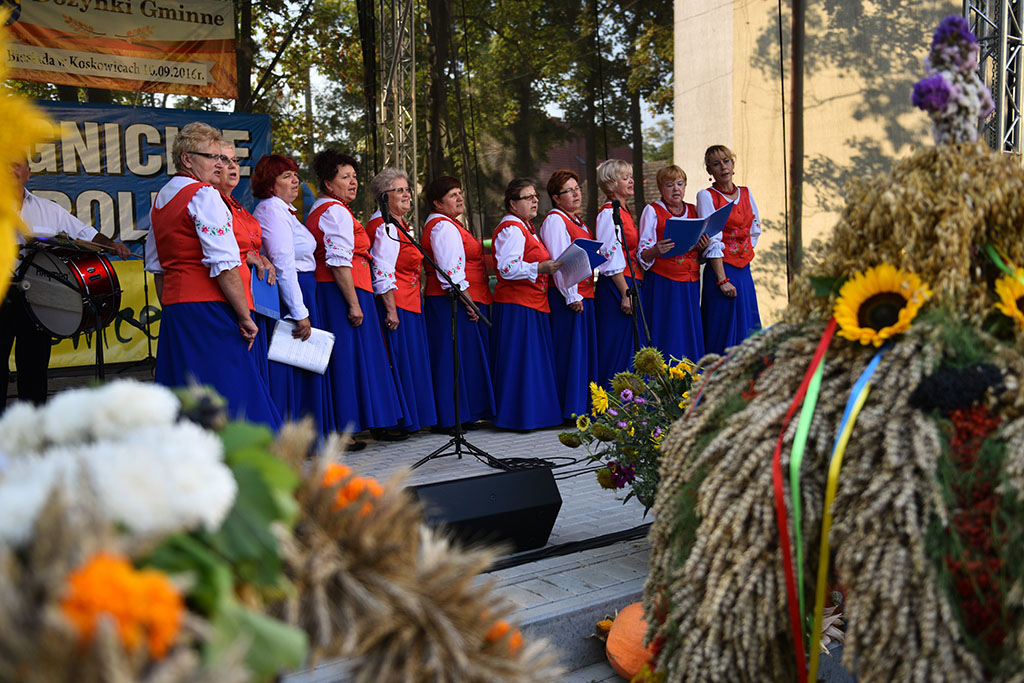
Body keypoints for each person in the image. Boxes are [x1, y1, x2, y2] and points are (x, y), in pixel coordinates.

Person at [145, 122, 280, 427]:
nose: (219, 164)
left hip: (178, 311)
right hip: (210, 307)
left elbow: (156, 266)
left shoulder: (162, 198)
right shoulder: (204, 194)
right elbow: (224, 265)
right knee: (232, 393)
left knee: (187, 394)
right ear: (187, 159)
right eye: (212, 157)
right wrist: (244, 317)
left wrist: (173, 307)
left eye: (222, 158)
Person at [1, 158, 131, 411]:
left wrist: (111, 245)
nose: (9, 169)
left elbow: (84, 234)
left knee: (35, 365)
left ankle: (33, 422)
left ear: (28, 173)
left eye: (16, 164)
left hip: (37, 295)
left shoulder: (48, 209)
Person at [307, 149, 403, 442]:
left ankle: (360, 422)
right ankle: (345, 427)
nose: (353, 182)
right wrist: (353, 303)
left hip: (349, 288)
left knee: (358, 358)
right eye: (345, 177)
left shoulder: (332, 209)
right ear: (328, 183)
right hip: (342, 291)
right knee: (346, 359)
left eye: (354, 176)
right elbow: (338, 261)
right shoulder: (334, 211)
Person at [252, 154, 334, 437]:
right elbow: (283, 264)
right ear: (270, 184)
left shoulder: (284, 210)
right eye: (286, 176)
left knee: (305, 365)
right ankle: (292, 437)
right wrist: (299, 312)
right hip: (291, 294)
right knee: (292, 365)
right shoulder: (272, 209)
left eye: (295, 175)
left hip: (302, 290)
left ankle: (308, 436)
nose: (295, 181)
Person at [421, 176, 495, 430]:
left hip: (453, 298)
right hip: (449, 300)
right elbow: (450, 272)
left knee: (459, 356)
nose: (459, 198)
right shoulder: (443, 227)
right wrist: (469, 302)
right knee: (450, 357)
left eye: (459, 192)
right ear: (437, 202)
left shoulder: (448, 224)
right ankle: (451, 416)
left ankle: (462, 414)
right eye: (452, 195)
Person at [367, 168, 437, 435]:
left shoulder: (398, 224)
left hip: (409, 301)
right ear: (384, 197)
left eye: (407, 189)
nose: (407, 194)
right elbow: (382, 270)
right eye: (400, 190)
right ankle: (398, 421)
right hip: (398, 304)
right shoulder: (385, 226)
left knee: (410, 362)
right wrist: (391, 310)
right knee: (399, 361)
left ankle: (411, 417)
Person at [490, 178, 562, 430]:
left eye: (535, 197)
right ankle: (519, 417)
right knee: (521, 362)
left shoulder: (527, 227)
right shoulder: (511, 228)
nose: (534, 201)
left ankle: (536, 415)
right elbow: (506, 268)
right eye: (528, 197)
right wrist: (539, 268)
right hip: (517, 304)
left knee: (532, 362)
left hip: (533, 301)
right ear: (513, 203)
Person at [213, 142, 276, 385]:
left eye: (235, 161)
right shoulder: (211, 203)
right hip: (231, 294)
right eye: (224, 160)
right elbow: (217, 249)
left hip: (256, 295)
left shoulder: (236, 204)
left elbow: (250, 245)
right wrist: (247, 255)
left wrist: (261, 257)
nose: (232, 166)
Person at [539, 169, 600, 419]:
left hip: (585, 293)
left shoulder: (577, 220)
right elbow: (560, 261)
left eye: (578, 189)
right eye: (569, 191)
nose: (576, 194)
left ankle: (584, 405)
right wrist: (571, 294)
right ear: (556, 197)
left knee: (582, 353)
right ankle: (571, 408)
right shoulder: (555, 220)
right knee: (571, 353)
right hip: (569, 296)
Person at [638, 165, 711, 362]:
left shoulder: (694, 210)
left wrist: (703, 247)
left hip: (690, 282)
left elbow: (699, 252)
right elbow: (643, 253)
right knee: (668, 332)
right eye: (670, 185)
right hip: (664, 283)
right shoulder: (652, 211)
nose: (676, 189)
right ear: (661, 188)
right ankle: (665, 376)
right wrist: (656, 250)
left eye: (680, 184)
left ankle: (689, 374)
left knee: (689, 330)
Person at [697, 145, 762, 355]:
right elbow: (711, 238)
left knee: (748, 327)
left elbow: (754, 229)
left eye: (726, 161)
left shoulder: (746, 192)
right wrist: (722, 280)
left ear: (733, 164)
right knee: (723, 331)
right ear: (710, 170)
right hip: (721, 271)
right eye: (716, 164)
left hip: (744, 271)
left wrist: (743, 252)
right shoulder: (706, 196)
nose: (723, 167)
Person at [593, 158, 644, 385]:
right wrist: (625, 293)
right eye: (625, 178)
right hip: (618, 287)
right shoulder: (608, 214)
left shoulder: (624, 211)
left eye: (631, 177)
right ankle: (615, 400)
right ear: (611, 184)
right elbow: (610, 256)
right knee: (617, 349)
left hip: (631, 283)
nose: (631, 181)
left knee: (632, 346)